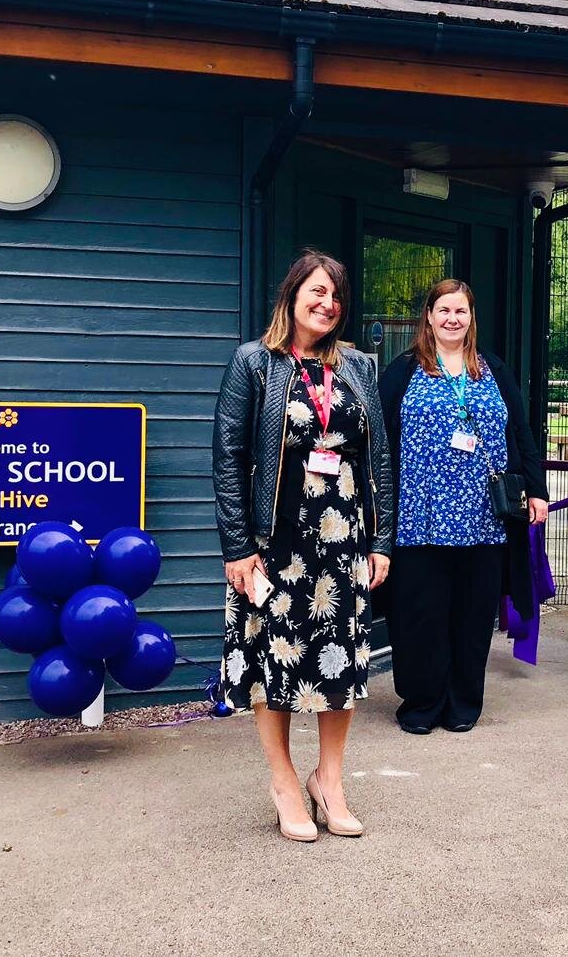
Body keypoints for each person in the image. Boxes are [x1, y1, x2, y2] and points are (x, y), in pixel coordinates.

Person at [212, 250, 395, 841]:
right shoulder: (254, 363)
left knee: (340, 664)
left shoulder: (359, 368)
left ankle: (330, 780)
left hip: (344, 540)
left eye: (336, 295)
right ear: (292, 295)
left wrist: (382, 540)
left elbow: (380, 461)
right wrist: (238, 547)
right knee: (275, 665)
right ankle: (285, 782)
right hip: (276, 543)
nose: (327, 303)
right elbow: (229, 459)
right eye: (317, 291)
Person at [379, 279, 549, 734]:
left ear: (471, 318)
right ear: (429, 316)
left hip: (484, 518)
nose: (453, 319)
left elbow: (522, 432)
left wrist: (536, 488)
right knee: (420, 616)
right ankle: (422, 702)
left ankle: (463, 703)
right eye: (444, 310)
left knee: (472, 617)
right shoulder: (402, 372)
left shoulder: (492, 369)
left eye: (461, 311)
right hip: (420, 517)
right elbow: (378, 444)